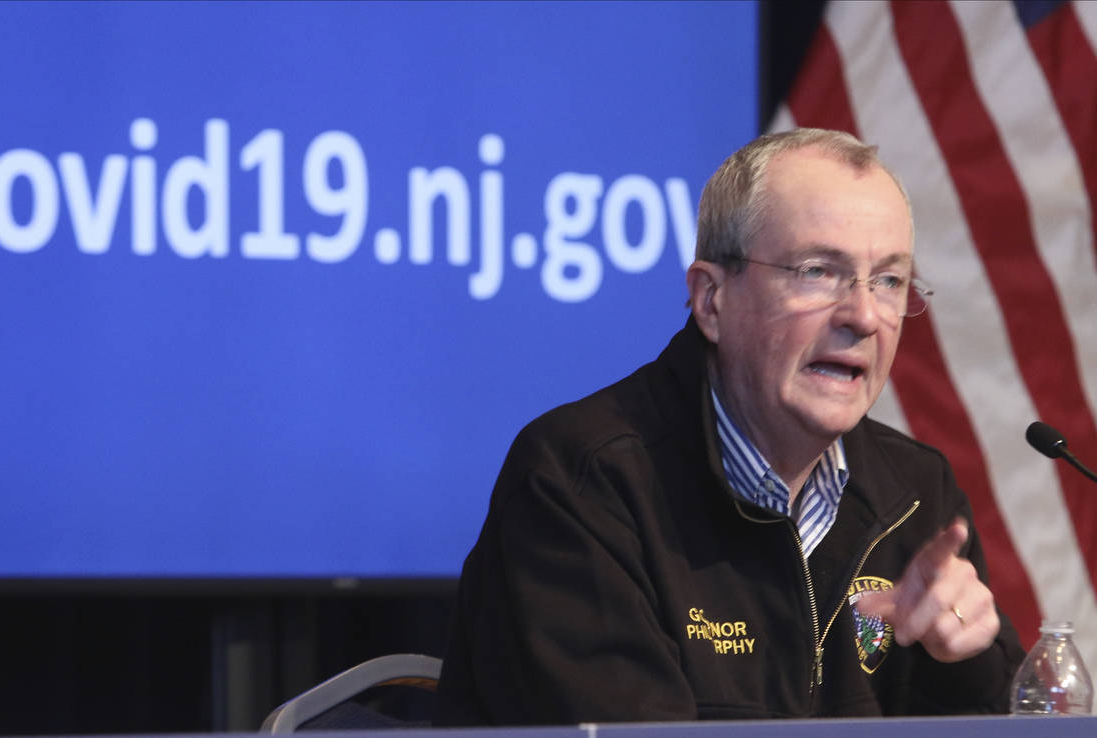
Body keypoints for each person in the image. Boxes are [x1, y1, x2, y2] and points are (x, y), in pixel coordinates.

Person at [432, 128, 1025, 725]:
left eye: (890, 280)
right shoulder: (581, 481)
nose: (865, 316)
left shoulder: (916, 493)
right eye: (819, 272)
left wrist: (963, 661)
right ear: (711, 301)